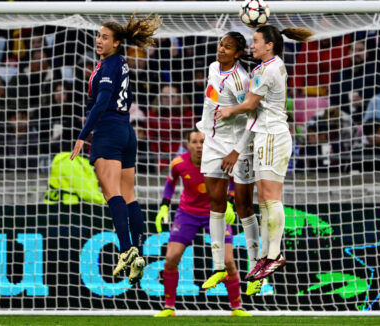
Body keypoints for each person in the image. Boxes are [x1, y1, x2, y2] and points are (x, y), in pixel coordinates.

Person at [216, 25, 313, 282]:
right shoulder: (270, 65)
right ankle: (266, 256)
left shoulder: (268, 69)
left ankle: (275, 255)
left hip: (272, 136)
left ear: (269, 45)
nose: (253, 45)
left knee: (271, 198)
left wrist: (228, 111)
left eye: (257, 41)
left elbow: (249, 105)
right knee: (264, 201)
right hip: (266, 135)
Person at [71, 14, 162, 285]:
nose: (99, 40)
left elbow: (101, 103)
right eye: (98, 35)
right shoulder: (121, 62)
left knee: (112, 194)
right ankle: (140, 253)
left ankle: (125, 250)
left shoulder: (109, 65)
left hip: (108, 132)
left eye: (105, 37)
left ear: (117, 43)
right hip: (127, 132)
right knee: (129, 195)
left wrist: (82, 136)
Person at [153, 129, 251, 317]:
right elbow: (170, 182)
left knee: (228, 261)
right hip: (187, 214)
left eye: (202, 142)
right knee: (171, 258)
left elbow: (235, 181)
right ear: (188, 145)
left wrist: (230, 202)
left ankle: (237, 307)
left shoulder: (221, 161)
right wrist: (164, 205)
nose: (199, 145)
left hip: (216, 213)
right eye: (195, 142)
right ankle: (169, 307)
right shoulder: (178, 163)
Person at [193, 32, 261, 296]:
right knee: (216, 204)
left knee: (244, 206)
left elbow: (254, 118)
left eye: (228, 47)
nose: (221, 49)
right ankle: (219, 266)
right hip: (212, 143)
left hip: (239, 147)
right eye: (221, 44)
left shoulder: (242, 80)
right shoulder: (212, 67)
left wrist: (236, 151)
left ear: (238, 53)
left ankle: (256, 269)